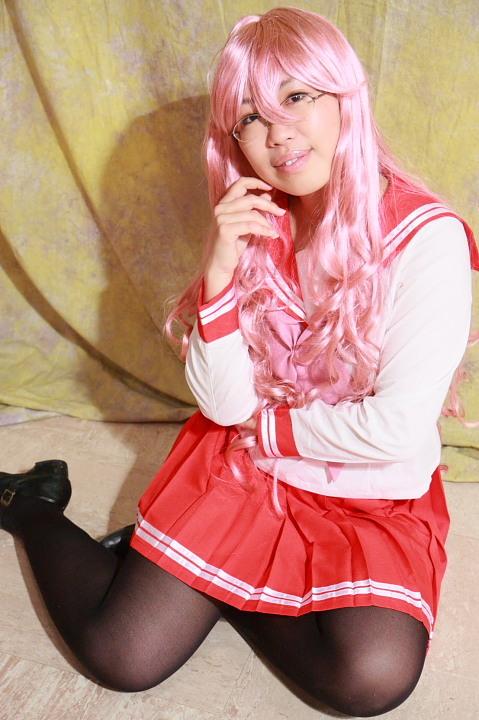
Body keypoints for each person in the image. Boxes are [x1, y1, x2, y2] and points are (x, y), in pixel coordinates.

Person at [1, 7, 477, 717]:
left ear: (345, 96)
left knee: (370, 679)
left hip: (364, 485)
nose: (276, 133)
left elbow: (395, 428)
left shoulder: (426, 239)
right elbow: (224, 406)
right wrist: (219, 271)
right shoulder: (258, 217)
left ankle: (213, 581)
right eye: (248, 117)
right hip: (249, 468)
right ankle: (32, 506)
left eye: (296, 96)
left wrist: (271, 429)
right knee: (122, 656)